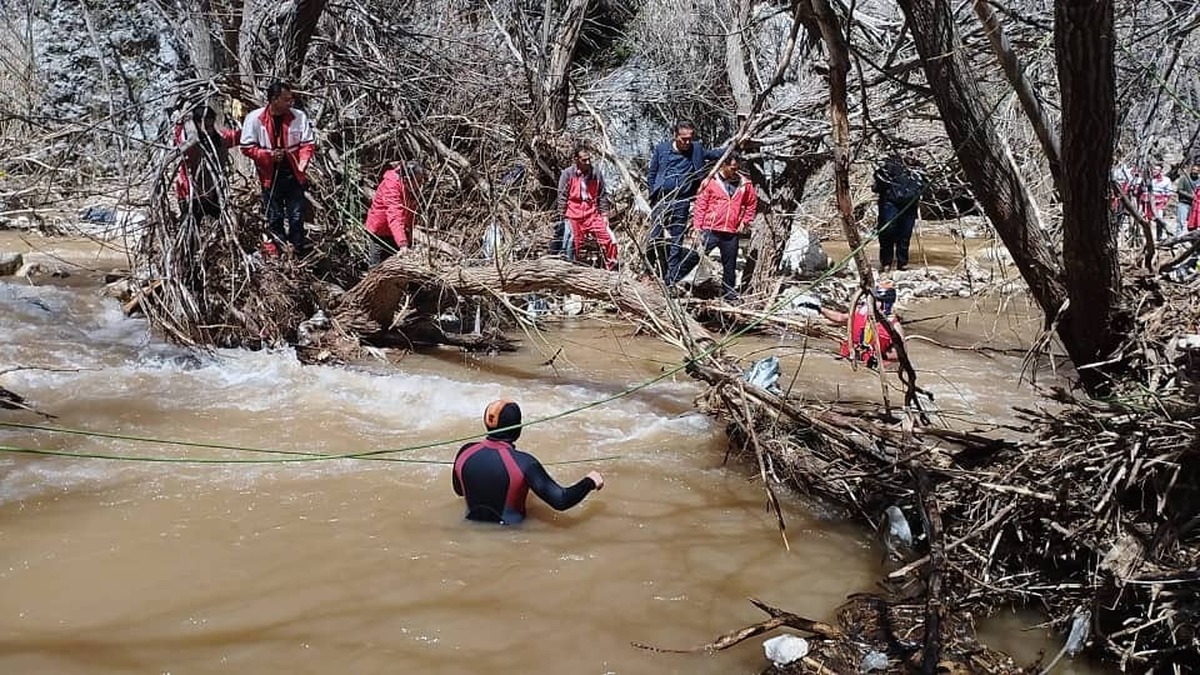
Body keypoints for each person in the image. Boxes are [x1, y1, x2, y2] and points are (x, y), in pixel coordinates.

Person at [452, 400, 604, 525]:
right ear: (518, 429)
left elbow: (459, 491)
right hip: (510, 539)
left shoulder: (465, 452)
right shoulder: (525, 463)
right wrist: (590, 481)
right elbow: (561, 501)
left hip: (470, 528)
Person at [240, 81, 316, 253]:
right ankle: (277, 250)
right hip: (269, 175)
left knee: (296, 215)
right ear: (274, 99)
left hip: (294, 174)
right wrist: (268, 155)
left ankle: (297, 249)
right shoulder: (254, 118)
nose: (291, 103)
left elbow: (308, 144)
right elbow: (246, 148)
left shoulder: (298, 117)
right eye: (286, 99)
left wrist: (303, 161)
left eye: (291, 99)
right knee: (274, 215)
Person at [646, 121, 725, 285]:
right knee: (654, 237)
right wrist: (653, 192)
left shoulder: (696, 149)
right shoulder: (662, 149)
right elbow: (652, 172)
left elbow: (715, 154)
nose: (687, 142)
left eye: (690, 138)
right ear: (675, 136)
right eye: (683, 139)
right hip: (661, 200)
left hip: (681, 201)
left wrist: (737, 146)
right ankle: (648, 270)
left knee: (677, 239)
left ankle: (671, 277)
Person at [691, 152, 757, 302]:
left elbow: (751, 203)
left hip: (731, 231)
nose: (735, 171)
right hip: (710, 229)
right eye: (732, 168)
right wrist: (697, 227)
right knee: (694, 257)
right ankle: (673, 281)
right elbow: (700, 205)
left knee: (730, 265)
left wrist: (745, 221)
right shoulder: (711, 182)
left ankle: (730, 295)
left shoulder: (745, 184)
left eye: (736, 167)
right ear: (723, 165)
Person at [812, 281, 903, 369]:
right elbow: (840, 318)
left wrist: (878, 356)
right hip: (850, 358)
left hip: (872, 365)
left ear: (886, 304)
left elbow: (901, 355)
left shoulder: (894, 326)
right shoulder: (862, 311)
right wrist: (820, 309)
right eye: (873, 299)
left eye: (877, 300)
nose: (872, 302)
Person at [175, 104, 238, 226]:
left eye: (211, 124)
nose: (209, 128)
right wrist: (180, 122)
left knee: (222, 223)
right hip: (191, 193)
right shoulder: (186, 140)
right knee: (190, 229)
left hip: (215, 191)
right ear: (196, 123)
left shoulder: (219, 138)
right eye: (205, 125)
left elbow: (236, 136)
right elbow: (179, 141)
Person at [556, 145, 618, 269]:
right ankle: (570, 269)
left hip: (592, 214)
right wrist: (563, 217)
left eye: (589, 159)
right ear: (576, 160)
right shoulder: (567, 174)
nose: (588, 162)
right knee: (571, 242)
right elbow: (562, 197)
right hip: (573, 214)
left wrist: (604, 215)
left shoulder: (596, 174)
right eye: (584, 160)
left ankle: (612, 268)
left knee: (610, 240)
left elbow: (602, 196)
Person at [364, 160, 427, 266]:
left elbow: (410, 213)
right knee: (378, 269)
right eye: (419, 180)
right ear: (407, 179)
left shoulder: (411, 187)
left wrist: (409, 236)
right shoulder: (391, 186)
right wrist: (402, 244)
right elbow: (395, 215)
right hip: (380, 233)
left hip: (398, 233)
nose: (421, 184)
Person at [873, 155, 922, 272]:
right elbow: (878, 183)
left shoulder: (919, 170)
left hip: (909, 205)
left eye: (916, 153)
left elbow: (925, 186)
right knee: (887, 231)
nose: (914, 156)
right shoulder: (890, 165)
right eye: (911, 153)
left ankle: (902, 264)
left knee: (905, 235)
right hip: (890, 203)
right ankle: (886, 262)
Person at [1147, 164, 1173, 239]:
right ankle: (1149, 236)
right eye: (1153, 169)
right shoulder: (1149, 179)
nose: (1154, 171)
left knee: (1159, 218)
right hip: (1149, 200)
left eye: (1156, 169)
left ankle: (1159, 236)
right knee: (1147, 219)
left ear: (1161, 171)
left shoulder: (1166, 180)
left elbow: (1169, 194)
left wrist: (1165, 203)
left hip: (1159, 202)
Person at [1176, 163, 1199, 235]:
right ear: (1191, 170)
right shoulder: (1184, 178)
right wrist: (1191, 196)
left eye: (1197, 170)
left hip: (1195, 205)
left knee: (1193, 223)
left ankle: (1192, 239)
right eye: (1194, 169)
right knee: (1181, 222)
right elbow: (1179, 190)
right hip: (1184, 203)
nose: (1195, 171)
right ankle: (1178, 238)